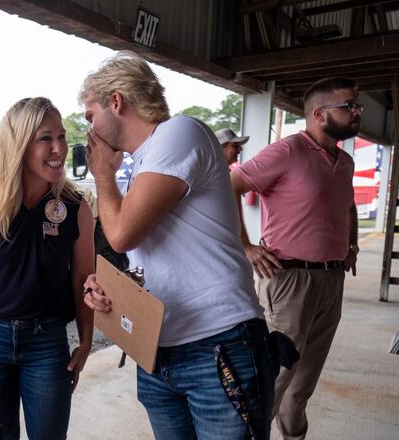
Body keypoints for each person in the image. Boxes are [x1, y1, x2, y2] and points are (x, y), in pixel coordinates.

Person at [80, 51, 274, 439]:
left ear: (116, 102)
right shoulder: (144, 162)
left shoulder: (178, 133)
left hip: (218, 344)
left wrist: (102, 172)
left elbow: (122, 233)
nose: (89, 129)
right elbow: (150, 253)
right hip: (160, 349)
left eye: (90, 115)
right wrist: (109, 289)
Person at [0, 97, 94, 440]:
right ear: (18, 144)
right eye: (45, 138)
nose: (59, 148)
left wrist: (87, 341)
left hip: (47, 343)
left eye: (61, 136)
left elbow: (83, 279)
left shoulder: (75, 208)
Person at [230, 77, 359, 439]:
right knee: (275, 376)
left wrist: (351, 246)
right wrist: (247, 246)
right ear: (319, 114)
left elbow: (347, 206)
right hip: (289, 280)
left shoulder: (344, 162)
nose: (356, 112)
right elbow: (231, 187)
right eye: (348, 106)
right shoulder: (287, 151)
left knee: (304, 382)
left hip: (331, 280)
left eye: (356, 105)